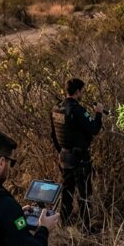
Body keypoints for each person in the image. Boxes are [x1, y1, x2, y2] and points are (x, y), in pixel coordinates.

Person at [50, 78, 104, 232]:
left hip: (64, 157)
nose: (83, 94)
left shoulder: (56, 109)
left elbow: (53, 135)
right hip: (80, 158)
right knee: (84, 193)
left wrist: (61, 151)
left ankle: (65, 224)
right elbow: (94, 128)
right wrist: (98, 113)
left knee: (67, 190)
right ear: (77, 91)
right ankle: (85, 227)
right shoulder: (77, 109)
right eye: (82, 91)